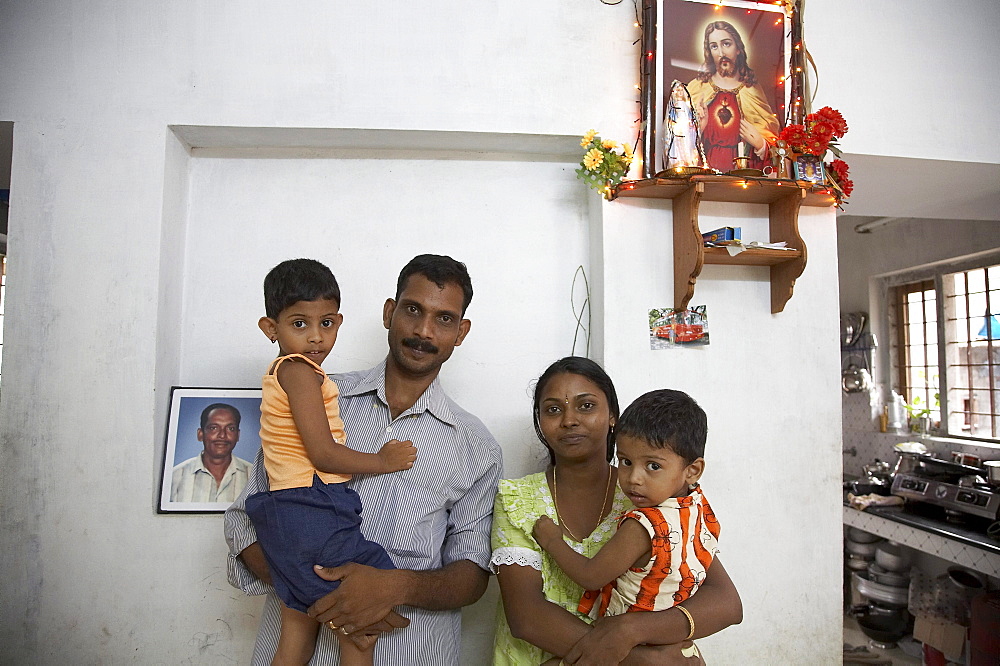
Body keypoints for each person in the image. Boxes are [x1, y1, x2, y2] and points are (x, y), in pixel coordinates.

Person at [225, 254, 503, 665]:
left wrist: (392, 588)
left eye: (444, 319)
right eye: (413, 310)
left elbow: (471, 574)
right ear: (389, 313)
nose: (424, 330)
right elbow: (243, 520)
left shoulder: (477, 447)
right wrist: (314, 588)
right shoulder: (314, 395)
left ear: (461, 332)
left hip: (412, 653)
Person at [491, 357, 741, 665]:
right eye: (553, 409)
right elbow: (527, 618)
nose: (569, 419)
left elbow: (726, 602)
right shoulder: (518, 500)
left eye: (586, 406)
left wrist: (632, 629)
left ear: (613, 417)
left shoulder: (647, 497)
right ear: (539, 421)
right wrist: (645, 660)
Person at [246, 258, 418, 665]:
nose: (316, 338)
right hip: (311, 505)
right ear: (271, 329)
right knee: (363, 612)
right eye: (299, 324)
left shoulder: (292, 373)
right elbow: (322, 453)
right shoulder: (298, 372)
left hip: (289, 512)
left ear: (339, 322)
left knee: (296, 632)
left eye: (326, 323)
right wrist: (383, 460)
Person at [532, 389, 720, 663]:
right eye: (625, 461)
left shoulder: (645, 525)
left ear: (692, 470)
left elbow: (591, 576)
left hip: (632, 648)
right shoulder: (700, 510)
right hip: (675, 641)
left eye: (653, 466)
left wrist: (553, 542)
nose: (633, 478)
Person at [686, 20, 780, 172]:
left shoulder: (752, 90)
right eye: (714, 46)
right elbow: (679, 140)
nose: (721, 53)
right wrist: (698, 127)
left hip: (743, 176)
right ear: (709, 52)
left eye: (726, 44)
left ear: (738, 48)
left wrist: (761, 144)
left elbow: (773, 139)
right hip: (704, 173)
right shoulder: (697, 88)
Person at [171, 403, 253, 503]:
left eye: (230, 429)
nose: (222, 435)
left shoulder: (254, 477)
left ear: (238, 435)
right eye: (214, 428)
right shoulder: (175, 476)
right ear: (200, 434)